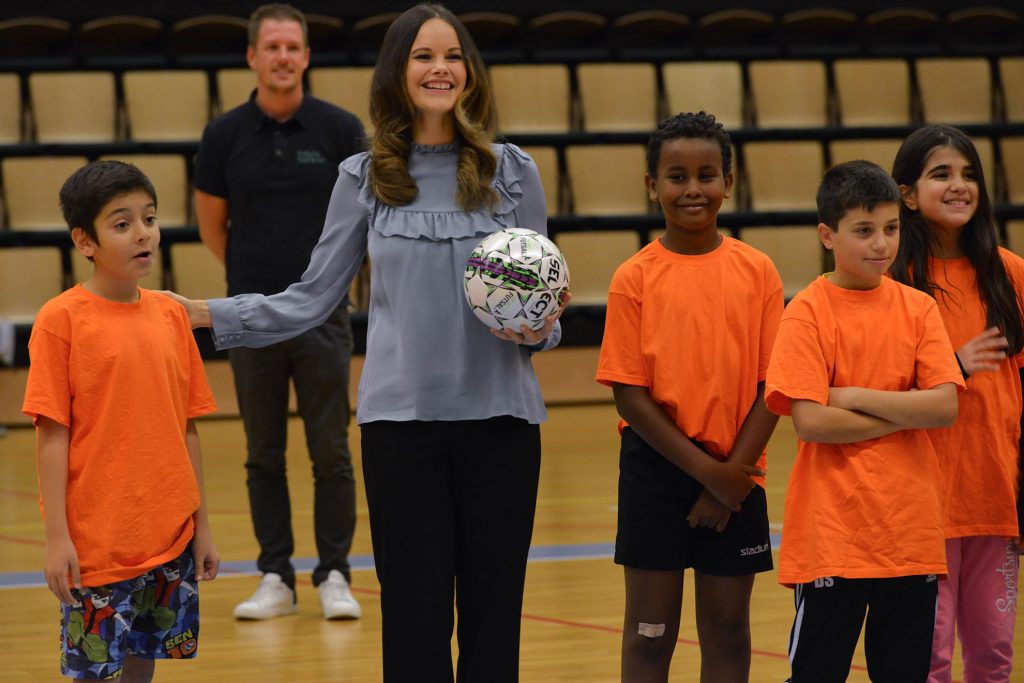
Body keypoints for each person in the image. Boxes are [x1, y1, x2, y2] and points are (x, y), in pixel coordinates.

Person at [162, 4, 563, 681]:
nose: (440, 69)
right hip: (401, 430)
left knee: (495, 622)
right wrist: (206, 312)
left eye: (452, 56)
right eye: (423, 57)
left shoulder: (514, 172)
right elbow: (312, 297)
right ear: (398, 72)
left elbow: (541, 309)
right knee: (414, 621)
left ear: (470, 72)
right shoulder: (361, 177)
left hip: (501, 424)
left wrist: (541, 328)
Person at [595, 111, 783, 683]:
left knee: (728, 630)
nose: (693, 189)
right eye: (676, 177)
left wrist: (730, 482)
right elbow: (629, 396)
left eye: (707, 175)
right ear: (652, 185)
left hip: (739, 466)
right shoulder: (634, 277)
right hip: (658, 471)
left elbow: (771, 388)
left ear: (729, 180)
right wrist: (710, 475)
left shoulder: (759, 272)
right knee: (650, 634)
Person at [193, 2, 365, 622]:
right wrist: (257, 291)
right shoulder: (224, 135)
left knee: (331, 452)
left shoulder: (342, 130)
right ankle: (276, 575)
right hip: (249, 317)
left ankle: (335, 573)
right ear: (253, 57)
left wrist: (314, 291)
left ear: (307, 56)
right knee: (262, 452)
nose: (284, 57)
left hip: (323, 317)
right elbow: (214, 228)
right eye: (273, 48)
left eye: (294, 47)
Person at [765, 160, 966, 682]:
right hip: (833, 536)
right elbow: (811, 422)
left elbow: (944, 406)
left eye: (891, 229)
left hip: (910, 534)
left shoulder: (919, 309)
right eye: (864, 231)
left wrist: (852, 395)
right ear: (827, 235)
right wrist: (905, 412)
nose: (881, 244)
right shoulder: (806, 312)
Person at [22, 160, 219, 681]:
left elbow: (188, 427)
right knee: (96, 673)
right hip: (96, 544)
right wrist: (57, 538)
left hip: (169, 536)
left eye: (149, 218)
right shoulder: (59, 321)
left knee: (141, 666)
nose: (143, 234)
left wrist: (201, 527)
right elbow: (51, 436)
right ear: (85, 241)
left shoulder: (173, 315)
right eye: (122, 222)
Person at [889, 125, 1024, 683]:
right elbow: (882, 388)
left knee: (993, 657)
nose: (959, 185)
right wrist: (955, 364)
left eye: (969, 174)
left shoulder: (1009, 272)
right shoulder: (895, 279)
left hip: (997, 496)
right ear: (906, 193)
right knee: (930, 658)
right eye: (941, 174)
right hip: (923, 502)